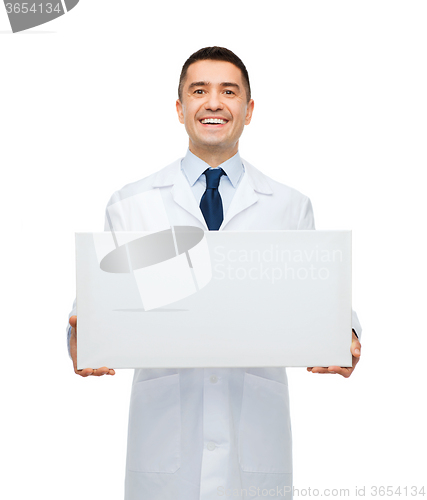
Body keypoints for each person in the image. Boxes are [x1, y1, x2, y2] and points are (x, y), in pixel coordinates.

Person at [68, 46, 362, 500]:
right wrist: (79, 337)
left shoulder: (288, 205)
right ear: (180, 108)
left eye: (229, 91)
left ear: (248, 111)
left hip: (255, 443)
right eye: (199, 90)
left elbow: (321, 298)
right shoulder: (132, 202)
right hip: (164, 444)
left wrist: (346, 333)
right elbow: (96, 307)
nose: (213, 102)